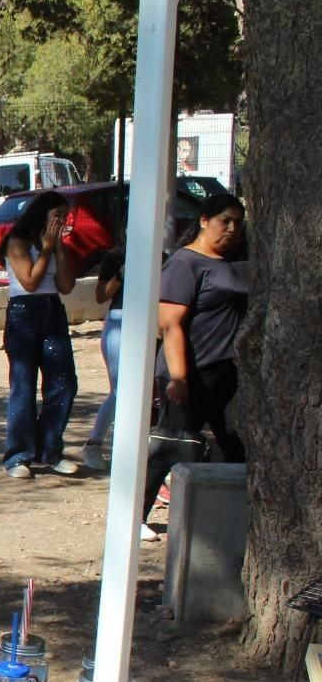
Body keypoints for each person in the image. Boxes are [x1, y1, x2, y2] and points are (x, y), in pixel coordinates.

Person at [140, 194, 249, 542]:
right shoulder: (184, 264)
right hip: (189, 373)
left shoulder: (229, 262)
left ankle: (243, 515)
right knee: (170, 444)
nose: (231, 228)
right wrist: (178, 377)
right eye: (224, 221)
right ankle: (135, 516)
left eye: (237, 222)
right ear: (204, 220)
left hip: (225, 374)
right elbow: (170, 324)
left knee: (237, 443)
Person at [0, 191, 79, 478]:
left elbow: (66, 286)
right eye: (57, 216)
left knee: (64, 383)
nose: (62, 222)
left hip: (53, 310)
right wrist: (45, 249)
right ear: (42, 214)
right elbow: (30, 281)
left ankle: (50, 449)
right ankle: (18, 455)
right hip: (24, 312)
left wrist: (58, 249)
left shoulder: (55, 245)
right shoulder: (17, 242)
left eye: (65, 217)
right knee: (24, 385)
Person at [82, 247, 125, 470]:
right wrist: (121, 274)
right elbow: (101, 296)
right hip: (120, 320)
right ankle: (94, 444)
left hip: (155, 323)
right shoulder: (116, 256)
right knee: (120, 391)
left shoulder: (166, 257)